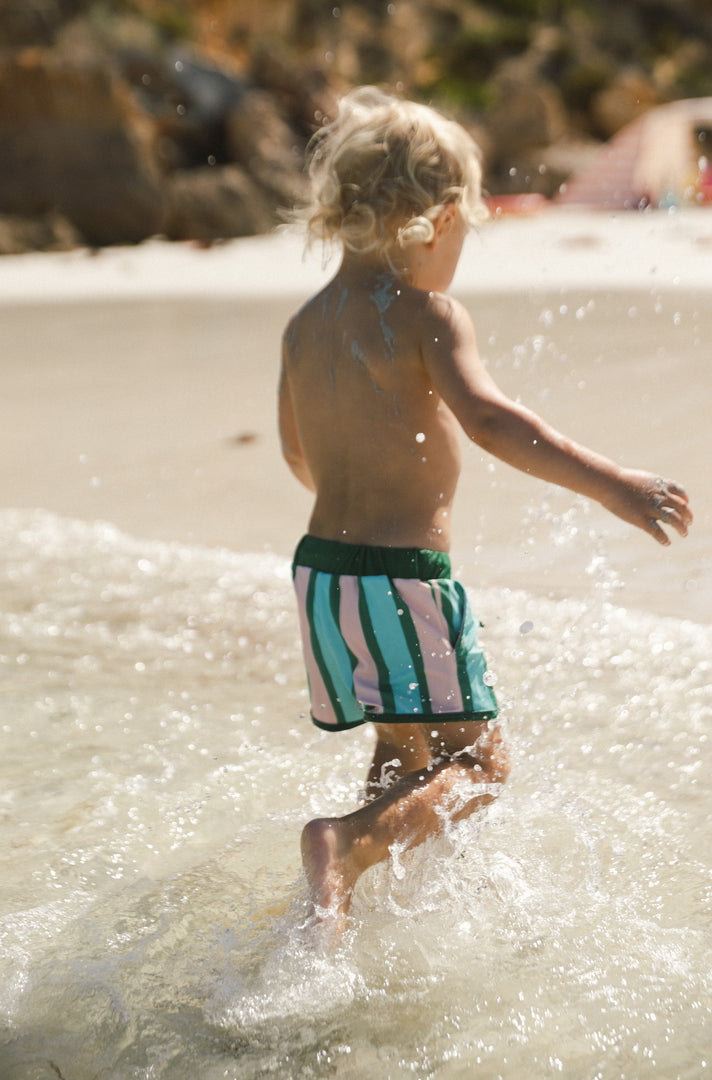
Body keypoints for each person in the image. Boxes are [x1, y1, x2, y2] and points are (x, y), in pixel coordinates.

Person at [277, 87, 693, 936]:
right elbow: (494, 419)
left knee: (403, 750)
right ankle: (346, 846)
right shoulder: (427, 315)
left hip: (323, 575)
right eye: (465, 227)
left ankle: (352, 910)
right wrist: (612, 481)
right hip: (401, 578)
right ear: (433, 221)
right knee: (481, 760)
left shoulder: (307, 324)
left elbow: (296, 455)